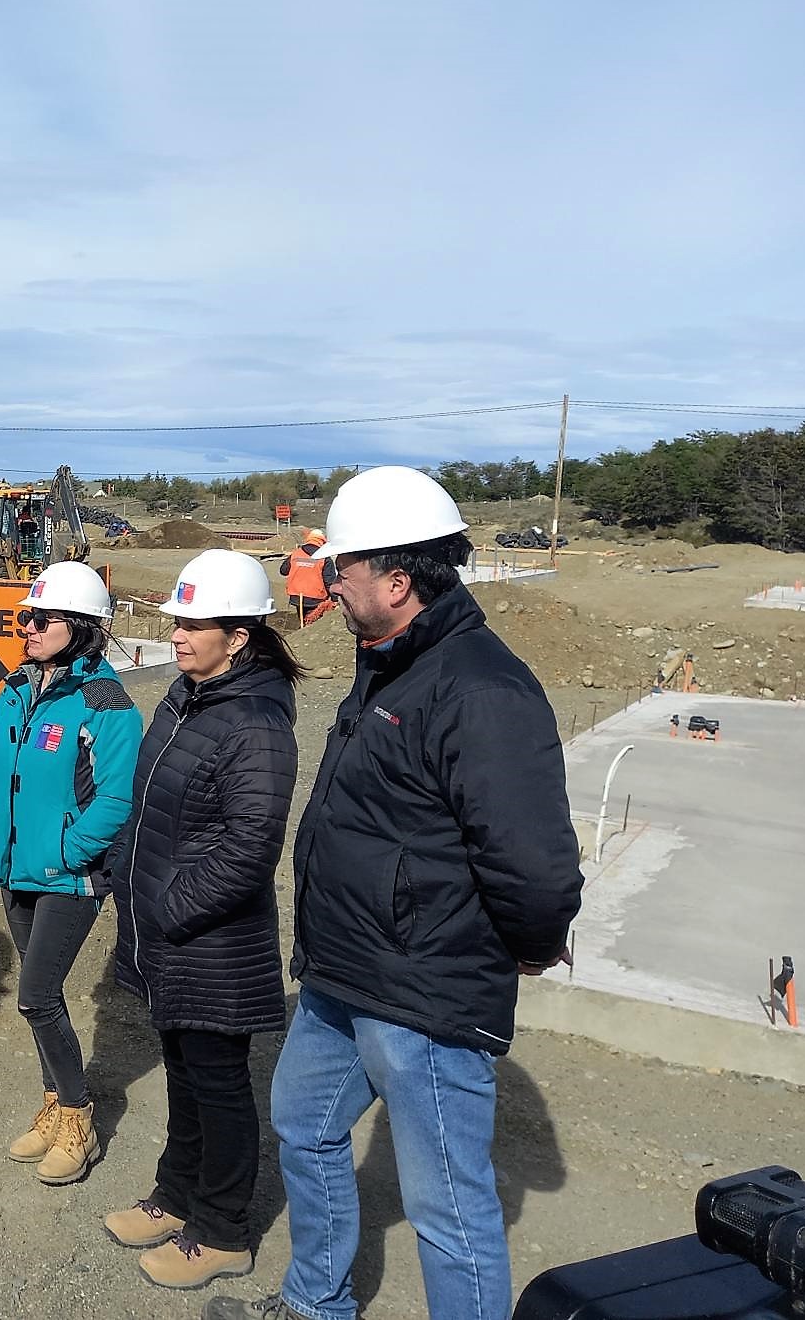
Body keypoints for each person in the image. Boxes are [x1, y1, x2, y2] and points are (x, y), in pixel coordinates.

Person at [205, 467, 584, 1320]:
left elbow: (536, 865)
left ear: (397, 580)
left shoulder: (481, 688)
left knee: (450, 1213)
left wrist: (526, 943)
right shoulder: (391, 662)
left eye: (342, 571)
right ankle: (317, 1305)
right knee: (303, 1123)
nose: (329, 586)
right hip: (346, 976)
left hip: (425, 996)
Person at [105, 550, 302, 1291]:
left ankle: (222, 1231)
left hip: (211, 943)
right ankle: (175, 1197)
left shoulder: (253, 722)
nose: (179, 636)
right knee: (184, 1078)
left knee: (219, 1087)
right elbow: (150, 803)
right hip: (168, 936)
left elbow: (252, 848)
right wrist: (129, 880)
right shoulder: (187, 696)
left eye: (195, 625)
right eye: (178, 623)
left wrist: (167, 908)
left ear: (240, 635)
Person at [0, 561, 142, 1186]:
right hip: (15, 865)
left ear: (83, 627)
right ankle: (52, 1102)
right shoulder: (17, 687)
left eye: (42, 619)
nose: (29, 628)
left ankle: (77, 1115)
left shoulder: (106, 705)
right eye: (25, 617)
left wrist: (72, 851)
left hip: (67, 876)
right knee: (45, 999)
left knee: (37, 997)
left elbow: (117, 798)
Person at [277, 530, 331, 625]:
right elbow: (329, 580)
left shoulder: (296, 553)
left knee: (302, 619)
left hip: (297, 596)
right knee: (313, 623)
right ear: (322, 541)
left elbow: (283, 571)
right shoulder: (324, 557)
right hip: (316, 598)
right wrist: (334, 600)